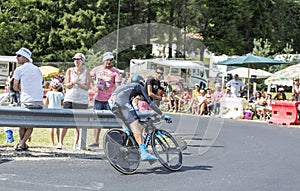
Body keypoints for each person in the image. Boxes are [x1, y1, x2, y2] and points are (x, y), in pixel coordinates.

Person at [110, 75, 171, 161]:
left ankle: (128, 143)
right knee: (136, 126)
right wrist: (162, 115)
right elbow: (151, 103)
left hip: (112, 103)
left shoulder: (127, 87)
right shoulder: (139, 87)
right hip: (121, 101)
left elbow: (129, 106)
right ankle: (143, 153)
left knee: (131, 123)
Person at [13, 47, 44, 151]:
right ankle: (23, 144)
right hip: (39, 101)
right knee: (30, 124)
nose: (16, 58)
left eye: (18, 56)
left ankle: (21, 143)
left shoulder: (19, 69)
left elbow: (15, 87)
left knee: (22, 124)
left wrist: (23, 89)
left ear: (25, 58)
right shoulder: (38, 69)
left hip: (27, 100)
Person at [89, 52, 122, 148]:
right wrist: (92, 86)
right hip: (98, 98)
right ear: (104, 60)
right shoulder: (97, 69)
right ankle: (95, 142)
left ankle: (113, 141)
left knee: (112, 120)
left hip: (109, 100)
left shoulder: (115, 72)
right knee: (97, 120)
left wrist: (117, 97)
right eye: (107, 60)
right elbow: (88, 76)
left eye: (111, 60)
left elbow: (118, 86)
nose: (109, 62)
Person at [63, 53, 91, 149]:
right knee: (65, 121)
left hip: (81, 100)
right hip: (70, 98)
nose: (76, 61)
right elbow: (67, 85)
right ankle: (60, 142)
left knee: (79, 123)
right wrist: (73, 82)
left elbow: (87, 87)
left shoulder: (86, 72)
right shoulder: (69, 71)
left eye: (78, 59)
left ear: (82, 61)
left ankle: (76, 143)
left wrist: (79, 83)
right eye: (75, 59)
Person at [45, 78, 64, 149]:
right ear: (59, 86)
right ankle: (59, 141)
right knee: (58, 127)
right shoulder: (60, 94)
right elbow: (62, 103)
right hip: (58, 111)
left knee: (51, 127)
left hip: (50, 110)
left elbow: (46, 103)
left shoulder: (49, 93)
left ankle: (52, 142)